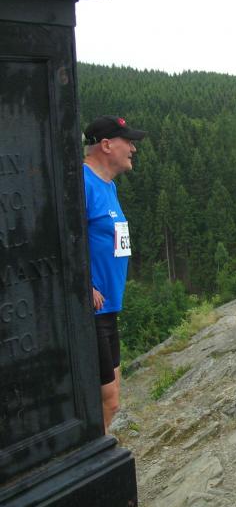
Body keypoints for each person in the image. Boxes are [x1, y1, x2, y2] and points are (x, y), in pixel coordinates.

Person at [83, 115, 146, 433]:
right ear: (106, 145)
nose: (133, 148)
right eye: (128, 142)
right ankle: (93, 457)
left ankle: (102, 451)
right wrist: (83, 285)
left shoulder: (107, 186)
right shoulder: (81, 183)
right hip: (91, 312)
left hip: (109, 309)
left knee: (113, 398)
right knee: (106, 401)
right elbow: (61, 240)